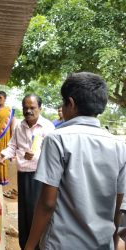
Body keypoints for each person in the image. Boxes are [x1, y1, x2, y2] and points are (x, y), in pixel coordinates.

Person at [25, 72, 126, 250]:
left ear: (70, 104)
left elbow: (47, 203)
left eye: (63, 103)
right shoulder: (119, 146)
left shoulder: (57, 139)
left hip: (61, 243)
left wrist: (29, 246)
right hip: (101, 244)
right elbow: (118, 205)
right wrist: (113, 239)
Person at [0, 94, 55, 249]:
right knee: (23, 213)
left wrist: (36, 155)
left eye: (32, 107)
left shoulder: (48, 127)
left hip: (39, 176)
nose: (28, 111)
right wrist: (4, 154)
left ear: (40, 108)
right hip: (23, 175)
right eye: (25, 107)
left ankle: (37, 246)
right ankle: (24, 245)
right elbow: (13, 146)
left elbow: (53, 154)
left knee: (35, 213)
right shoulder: (19, 126)